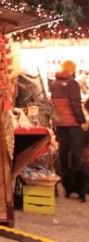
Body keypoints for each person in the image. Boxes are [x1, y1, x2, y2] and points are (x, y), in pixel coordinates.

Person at [49, 60, 88, 201]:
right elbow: (75, 104)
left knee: (63, 153)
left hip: (60, 124)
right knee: (77, 154)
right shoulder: (72, 84)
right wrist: (82, 121)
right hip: (73, 123)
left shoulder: (53, 84)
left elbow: (53, 105)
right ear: (71, 71)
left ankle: (66, 183)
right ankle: (79, 184)